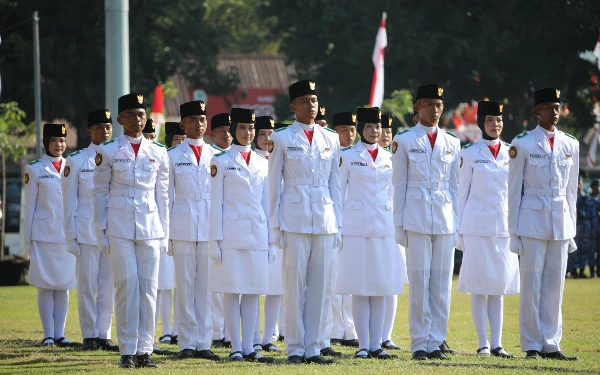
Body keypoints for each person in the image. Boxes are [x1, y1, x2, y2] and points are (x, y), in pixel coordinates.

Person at [93, 93, 170, 368]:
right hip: (119, 226)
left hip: (150, 226)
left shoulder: (158, 151)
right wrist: (100, 231)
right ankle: (127, 350)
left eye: (141, 114)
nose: (137, 120)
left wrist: (165, 233)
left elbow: (163, 196)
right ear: (120, 119)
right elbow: (99, 193)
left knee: (149, 289)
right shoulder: (108, 151)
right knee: (126, 286)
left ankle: (144, 350)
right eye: (131, 115)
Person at [269, 79, 342, 365]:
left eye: (314, 100)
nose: (311, 106)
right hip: (294, 218)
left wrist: (339, 224)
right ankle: (296, 348)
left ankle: (314, 346)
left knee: (320, 287)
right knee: (294, 286)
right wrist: (275, 225)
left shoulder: (331, 138)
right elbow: (274, 185)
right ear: (293, 106)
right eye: (304, 101)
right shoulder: (282, 138)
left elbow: (335, 185)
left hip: (324, 218)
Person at [508, 87, 579, 361]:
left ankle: (551, 342)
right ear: (536, 111)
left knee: (554, 286)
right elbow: (514, 192)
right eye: (548, 107)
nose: (555, 112)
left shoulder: (570, 144)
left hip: (560, 222)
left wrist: (571, 228)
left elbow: (571, 191)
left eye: (557, 107)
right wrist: (513, 232)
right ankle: (531, 344)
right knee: (531, 285)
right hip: (531, 221)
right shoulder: (523, 143)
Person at [392, 84, 460, 361]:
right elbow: (399, 185)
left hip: (444, 219)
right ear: (416, 107)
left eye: (439, 105)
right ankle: (420, 342)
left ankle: (437, 339)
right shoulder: (405, 140)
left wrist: (457, 222)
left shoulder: (452, 142)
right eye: (429, 104)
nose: (434, 109)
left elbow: (454, 186)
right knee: (419, 282)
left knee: (442, 284)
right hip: (416, 218)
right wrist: (399, 225)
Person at [207, 108, 275, 363]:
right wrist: (214, 241)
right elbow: (216, 204)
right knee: (231, 292)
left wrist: (270, 241)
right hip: (231, 236)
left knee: (252, 292)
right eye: (242, 128)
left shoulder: (261, 163)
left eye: (251, 128)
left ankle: (250, 347)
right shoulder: (221, 161)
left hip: (256, 233)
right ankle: (235, 346)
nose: (248, 133)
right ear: (233, 130)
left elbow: (267, 205)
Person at [337, 107, 406, 359]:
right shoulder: (348, 156)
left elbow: (394, 193)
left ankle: (377, 344)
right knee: (359, 287)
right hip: (355, 227)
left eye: (377, 127)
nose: (374, 131)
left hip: (384, 228)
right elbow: (339, 192)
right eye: (369, 127)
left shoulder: (390, 157)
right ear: (361, 129)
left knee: (380, 287)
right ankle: (363, 344)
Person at [456, 101, 519, 358]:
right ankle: (483, 343)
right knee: (478, 286)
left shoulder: (511, 153)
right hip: (476, 227)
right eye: (491, 120)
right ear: (482, 122)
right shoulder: (469, 153)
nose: (496, 125)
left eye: (499, 120)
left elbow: (515, 193)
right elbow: (462, 194)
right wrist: (459, 232)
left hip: (503, 228)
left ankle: (498, 343)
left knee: (498, 286)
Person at [167, 100, 221, 361]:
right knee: (185, 287)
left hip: (209, 228)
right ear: (182, 124)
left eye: (202, 119)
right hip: (183, 227)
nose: (199, 124)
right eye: (193, 120)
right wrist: (167, 235)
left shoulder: (216, 155)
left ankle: (203, 342)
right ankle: (186, 342)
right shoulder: (173, 156)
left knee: (206, 288)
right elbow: (167, 197)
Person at [62, 110, 118, 352]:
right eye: (99, 127)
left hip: (113, 230)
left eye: (108, 127)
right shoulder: (75, 161)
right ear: (89, 131)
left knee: (108, 285)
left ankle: (104, 333)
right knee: (86, 285)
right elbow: (68, 202)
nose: (104, 131)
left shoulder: (118, 156)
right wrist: (70, 236)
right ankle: (89, 335)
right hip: (85, 232)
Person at [24, 123, 77, 348]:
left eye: (62, 141)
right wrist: (27, 241)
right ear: (46, 143)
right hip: (44, 235)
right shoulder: (34, 168)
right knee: (46, 285)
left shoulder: (71, 166)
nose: (59, 145)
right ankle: (48, 334)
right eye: (54, 141)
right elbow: (30, 207)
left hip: (65, 235)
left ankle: (60, 334)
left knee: (63, 284)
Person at [323, 111, 358, 352]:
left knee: (352, 280)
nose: (349, 134)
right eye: (344, 130)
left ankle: (350, 329)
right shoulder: (331, 155)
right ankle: (336, 330)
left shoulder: (358, 155)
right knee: (334, 280)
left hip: (356, 224)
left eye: (352, 129)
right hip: (336, 223)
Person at [141, 119, 178, 351]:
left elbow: (165, 196)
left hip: (166, 228)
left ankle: (168, 331)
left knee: (168, 285)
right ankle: (152, 336)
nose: (150, 140)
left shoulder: (161, 157)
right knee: (153, 286)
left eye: (152, 136)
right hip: (146, 226)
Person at [251, 116, 284, 353]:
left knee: (276, 287)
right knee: (253, 286)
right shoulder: (251, 159)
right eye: (262, 134)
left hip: (279, 228)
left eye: (270, 134)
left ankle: (267, 337)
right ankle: (252, 337)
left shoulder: (283, 157)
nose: (267, 139)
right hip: (253, 228)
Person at [207, 112, 232, 349]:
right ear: (212, 133)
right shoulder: (209, 156)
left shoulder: (241, 156)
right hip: (210, 222)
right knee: (214, 285)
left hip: (233, 225)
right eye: (221, 130)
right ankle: (217, 332)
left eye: (229, 129)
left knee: (232, 282)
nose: (227, 134)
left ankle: (232, 332)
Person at [569, 176, 597, 278]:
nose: (578, 186)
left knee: (585, 251)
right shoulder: (569, 196)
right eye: (576, 183)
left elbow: (592, 214)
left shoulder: (587, 198)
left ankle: (581, 271)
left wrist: (594, 227)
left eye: (580, 183)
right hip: (573, 227)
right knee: (573, 251)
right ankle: (573, 271)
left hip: (585, 227)